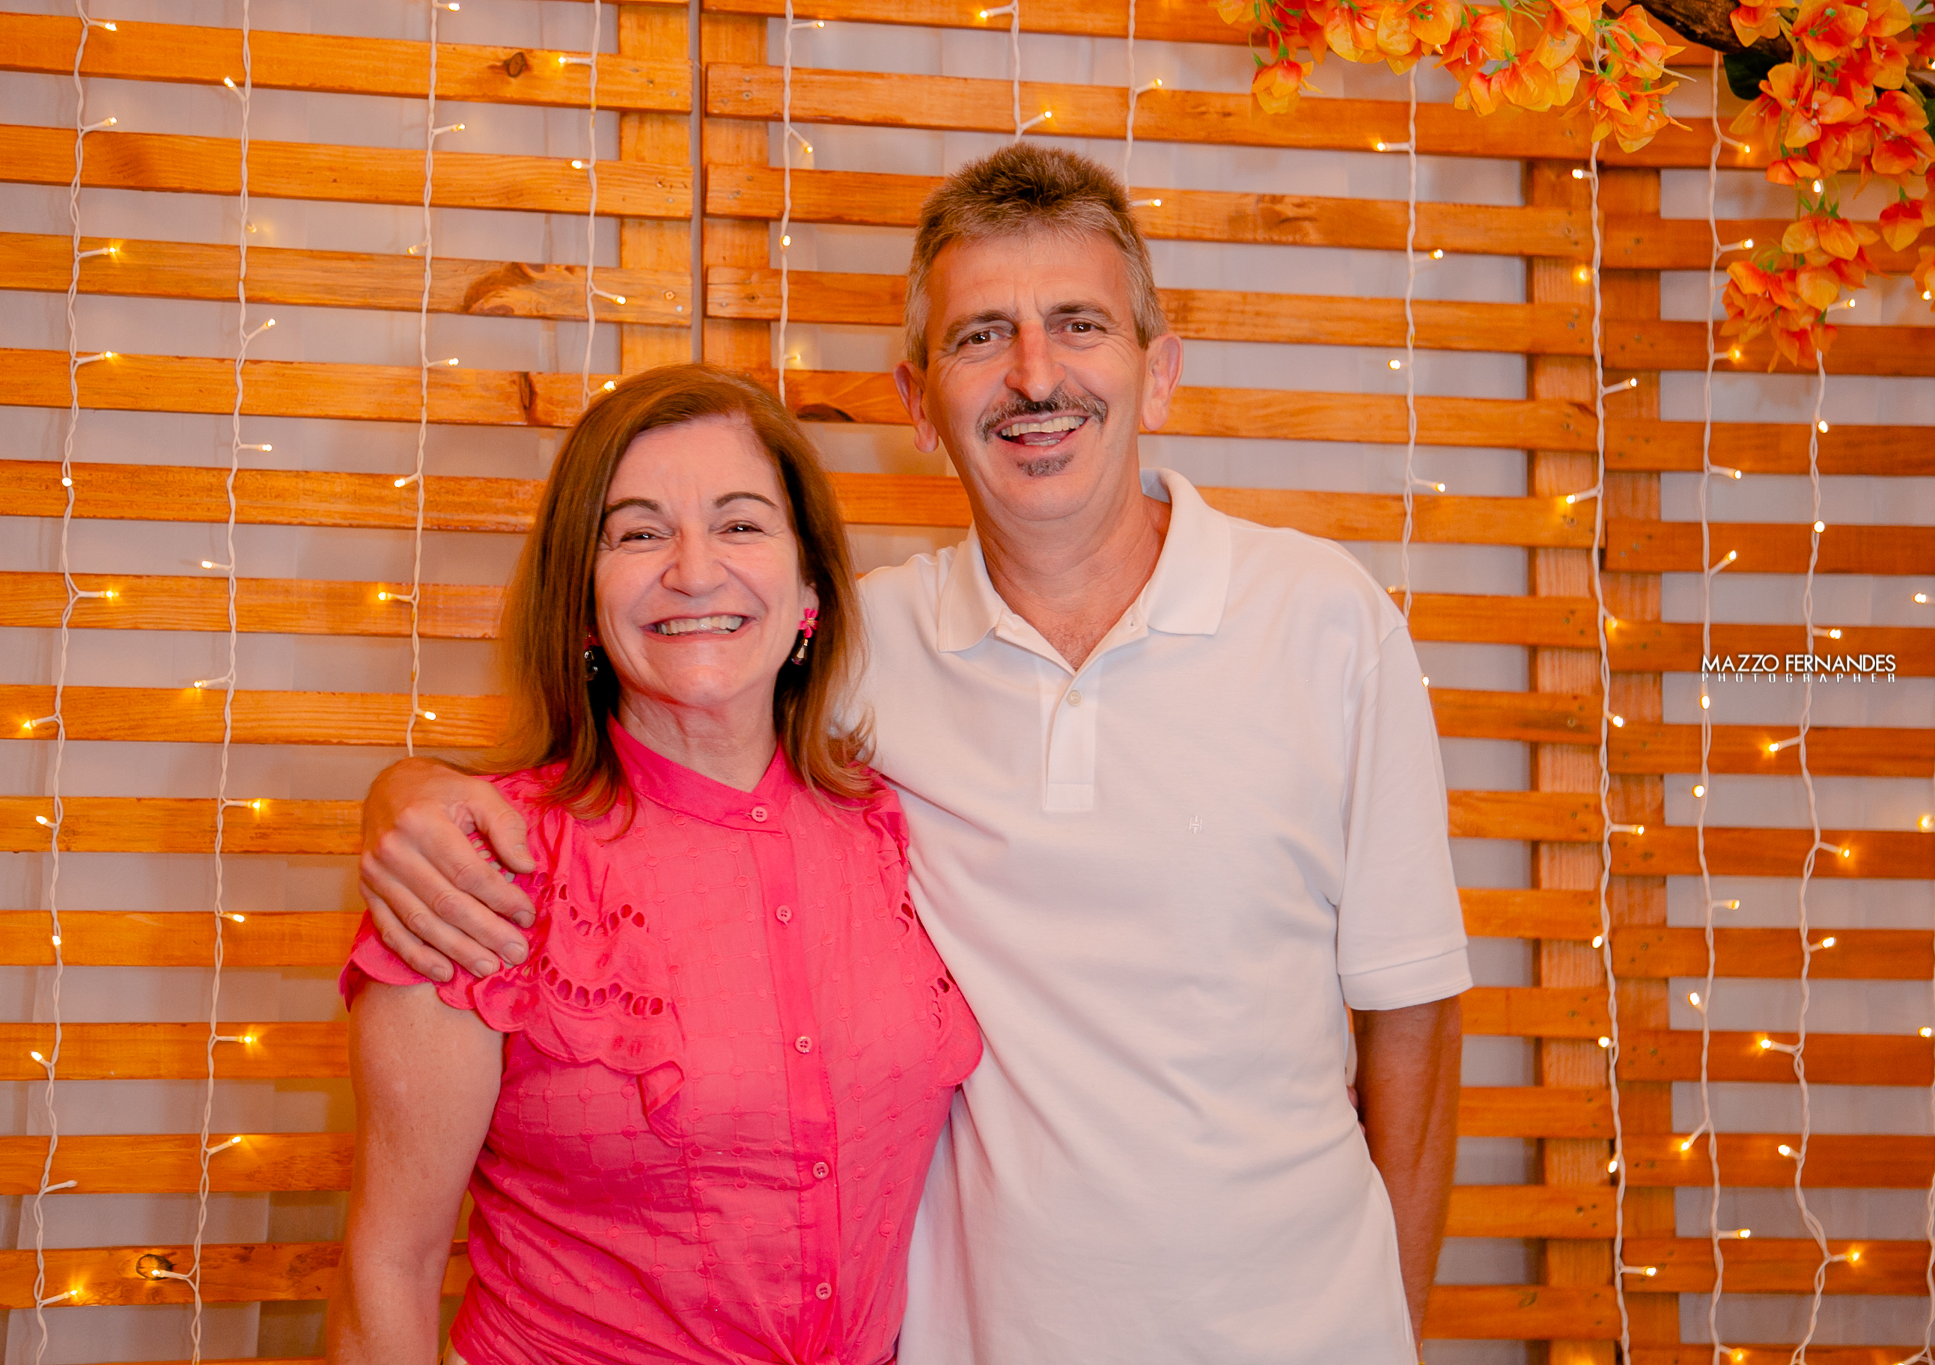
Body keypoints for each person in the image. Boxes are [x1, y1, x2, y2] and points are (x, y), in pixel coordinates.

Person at [356, 147, 1468, 1364]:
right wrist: (406, 797)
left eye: (1079, 324)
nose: (1033, 374)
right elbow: (665, 702)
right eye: (980, 336)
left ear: (1159, 373)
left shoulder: (1326, 621)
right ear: (917, 400)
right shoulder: (859, 648)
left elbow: (1411, 1020)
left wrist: (1393, 1331)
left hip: (1307, 1332)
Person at [328, 365, 981, 1365]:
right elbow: (390, 1266)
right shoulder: (476, 867)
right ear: (583, 602)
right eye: (637, 534)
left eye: (740, 523)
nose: (694, 570)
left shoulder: (894, 824)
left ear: (810, 588)